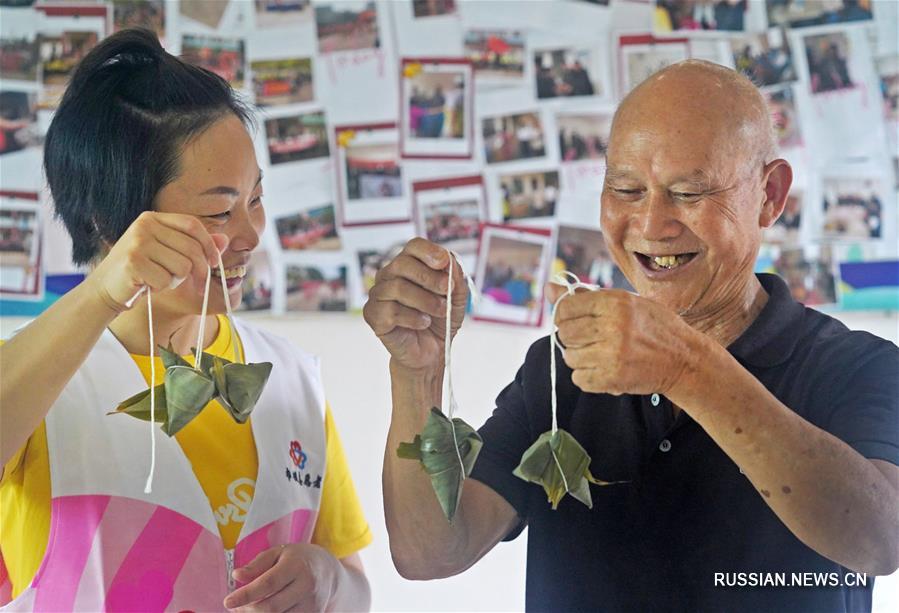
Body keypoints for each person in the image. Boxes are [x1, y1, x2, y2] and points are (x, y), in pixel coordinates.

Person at [362, 60, 899, 611]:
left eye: (689, 194)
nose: (649, 225)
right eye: (625, 188)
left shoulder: (858, 365)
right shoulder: (563, 368)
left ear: (769, 195)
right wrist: (416, 373)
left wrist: (688, 368)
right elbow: (429, 551)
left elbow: (880, 540)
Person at [0, 29, 371, 611]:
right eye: (221, 210)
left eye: (255, 199)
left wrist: (327, 581)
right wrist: (102, 291)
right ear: (107, 221)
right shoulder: (37, 379)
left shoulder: (293, 381)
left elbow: (355, 586)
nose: (250, 234)